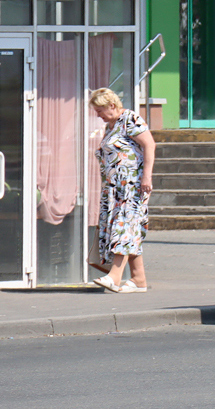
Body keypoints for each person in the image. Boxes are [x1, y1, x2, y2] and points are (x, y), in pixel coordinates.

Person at [89, 88, 155, 294]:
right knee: (128, 228)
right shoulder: (111, 125)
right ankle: (138, 279)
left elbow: (149, 144)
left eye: (100, 110)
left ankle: (114, 276)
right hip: (114, 188)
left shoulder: (129, 118)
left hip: (131, 186)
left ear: (111, 105)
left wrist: (146, 176)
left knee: (124, 227)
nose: (97, 114)